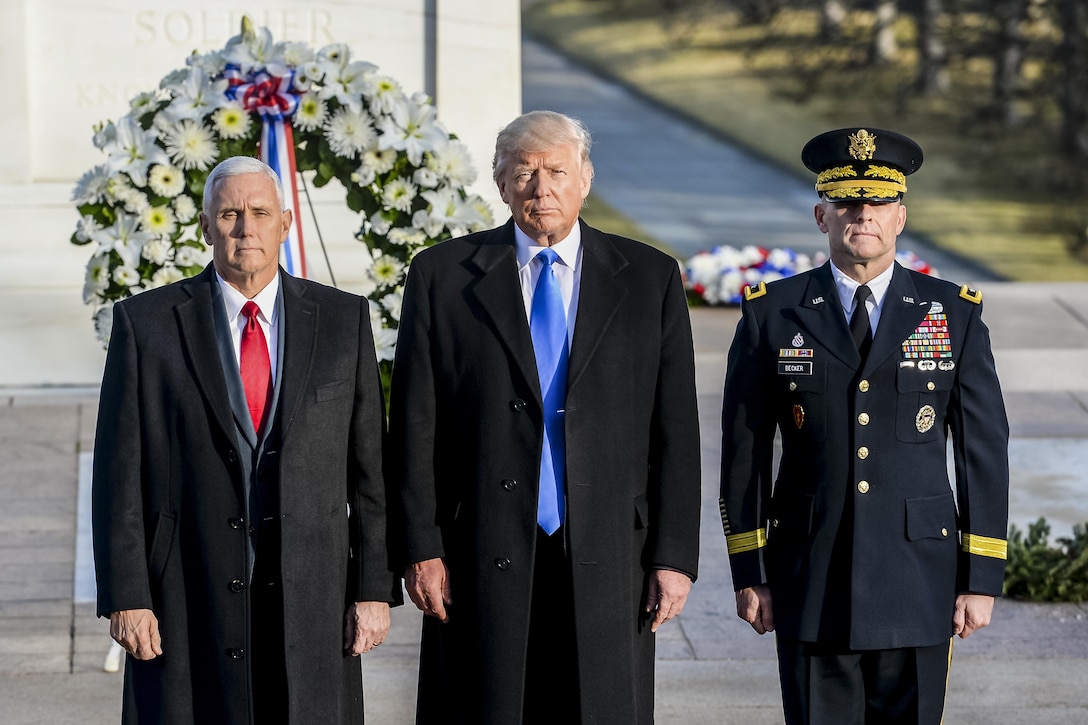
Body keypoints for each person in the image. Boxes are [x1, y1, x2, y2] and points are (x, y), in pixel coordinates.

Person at [387, 110, 702, 724]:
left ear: (585, 179)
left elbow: (676, 432)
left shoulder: (649, 278)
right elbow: (414, 423)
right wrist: (419, 546)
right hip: (475, 551)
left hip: (612, 554)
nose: (541, 188)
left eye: (557, 170)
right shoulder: (442, 276)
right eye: (524, 173)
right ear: (500, 184)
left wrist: (674, 556)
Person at [92, 155, 400, 724]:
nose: (245, 228)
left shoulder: (344, 320)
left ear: (286, 222)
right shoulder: (146, 324)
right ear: (206, 227)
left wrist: (374, 588)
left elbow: (370, 473)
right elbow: (118, 477)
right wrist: (127, 596)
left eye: (259, 212)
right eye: (229, 214)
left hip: (314, 593)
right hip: (187, 593)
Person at [719, 127, 1010, 724]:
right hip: (809, 576)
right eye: (848, 203)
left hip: (918, 578)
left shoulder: (951, 312)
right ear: (821, 215)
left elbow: (982, 451)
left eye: (878, 203)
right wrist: (750, 570)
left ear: (900, 217)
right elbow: (744, 449)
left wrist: (980, 577)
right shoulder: (772, 313)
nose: (863, 216)